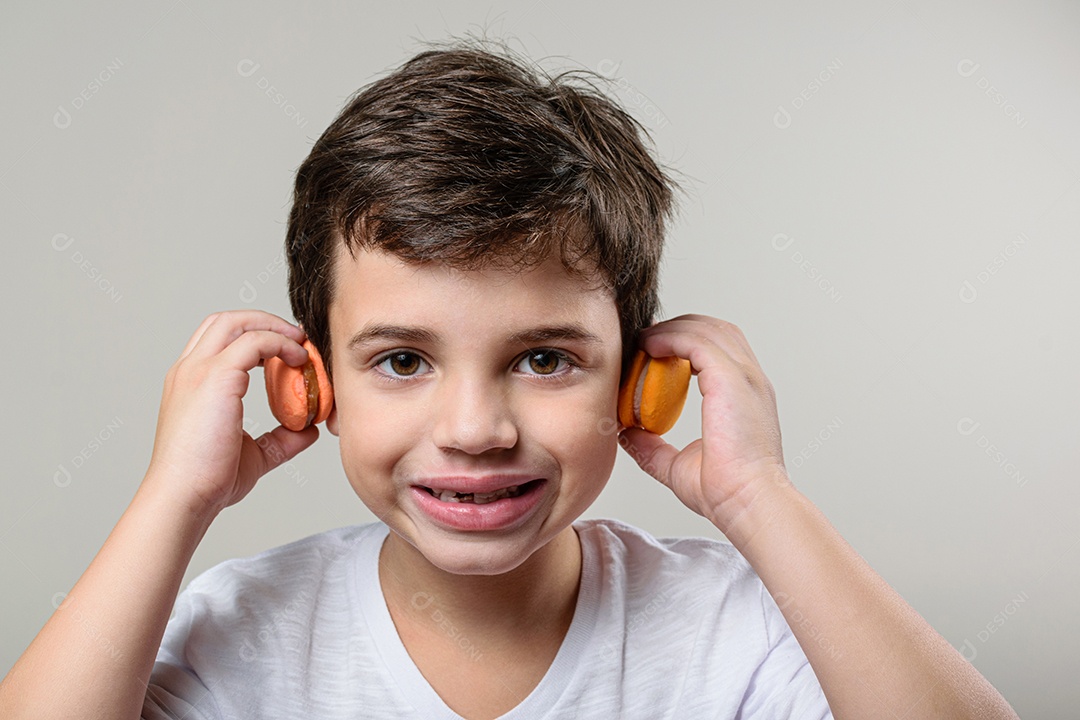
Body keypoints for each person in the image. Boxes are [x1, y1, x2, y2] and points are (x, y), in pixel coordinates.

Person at [0, 38, 1019, 720]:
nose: (476, 427)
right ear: (310, 385)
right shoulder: (237, 631)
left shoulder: (737, 627)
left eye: (544, 359)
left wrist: (760, 499)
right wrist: (173, 499)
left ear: (640, 380)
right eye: (403, 361)